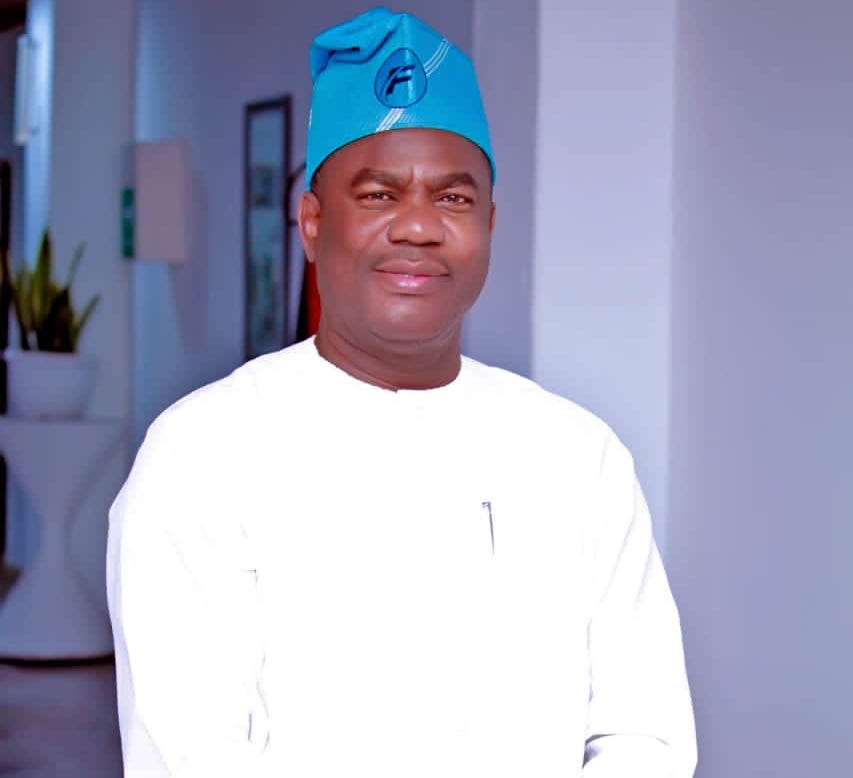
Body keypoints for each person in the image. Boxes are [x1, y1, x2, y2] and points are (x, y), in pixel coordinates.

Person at [107, 7, 697, 776]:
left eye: (453, 199)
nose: (418, 228)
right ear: (312, 223)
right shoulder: (203, 455)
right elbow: (189, 753)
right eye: (379, 195)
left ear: (490, 224)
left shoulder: (578, 457)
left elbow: (643, 735)